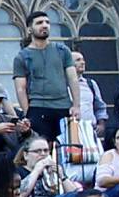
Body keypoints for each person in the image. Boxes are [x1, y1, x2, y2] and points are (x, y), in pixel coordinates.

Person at [11, 11, 76, 142]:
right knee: (41, 147)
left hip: (63, 106)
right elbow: (20, 88)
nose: (45, 25)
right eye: (39, 23)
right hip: (38, 107)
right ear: (30, 29)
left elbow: (73, 79)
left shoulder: (62, 51)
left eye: (47, 22)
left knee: (69, 149)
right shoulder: (22, 57)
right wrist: (27, 113)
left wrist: (76, 105)